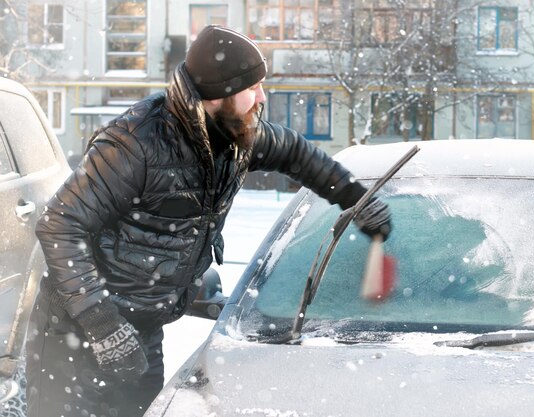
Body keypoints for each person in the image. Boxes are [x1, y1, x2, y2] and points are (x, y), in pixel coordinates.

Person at [26, 25, 392, 417]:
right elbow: (59, 224)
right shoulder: (136, 143)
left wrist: (357, 200)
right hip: (75, 329)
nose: (262, 98)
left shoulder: (238, 136)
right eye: (253, 88)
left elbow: (299, 155)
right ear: (219, 94)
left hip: (143, 328)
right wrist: (103, 326)